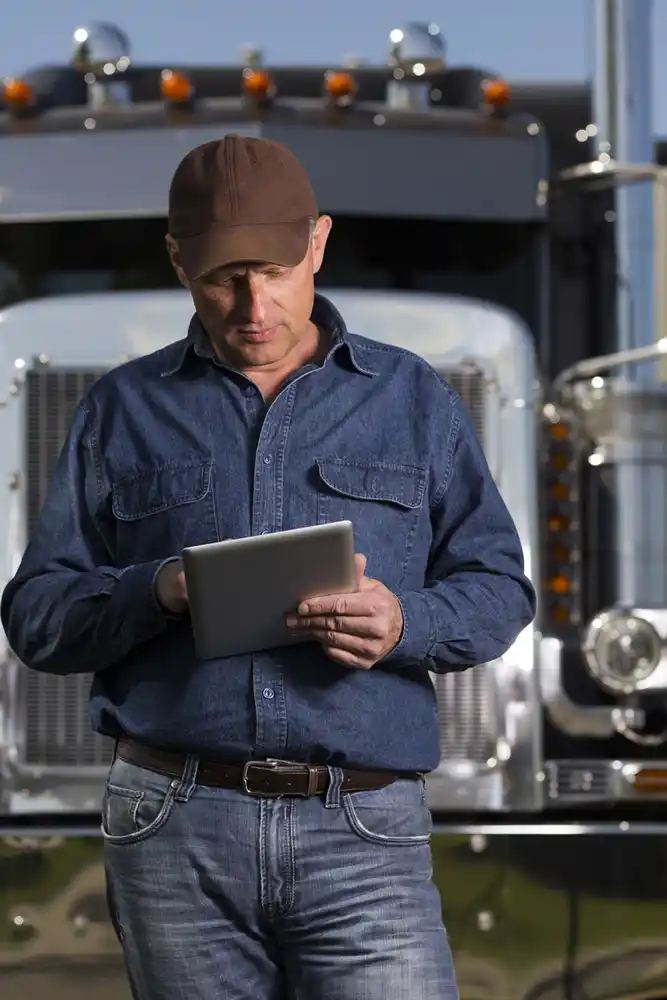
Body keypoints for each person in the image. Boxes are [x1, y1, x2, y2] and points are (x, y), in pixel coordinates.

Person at [0, 134, 536, 1000]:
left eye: (277, 271)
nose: (253, 305)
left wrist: (405, 622)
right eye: (223, 277)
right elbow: (37, 616)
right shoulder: (120, 410)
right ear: (178, 261)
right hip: (173, 825)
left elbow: (499, 588)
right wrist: (159, 588)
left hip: (362, 826)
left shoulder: (412, 400)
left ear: (317, 244)